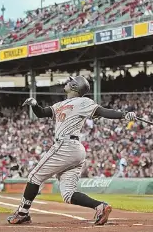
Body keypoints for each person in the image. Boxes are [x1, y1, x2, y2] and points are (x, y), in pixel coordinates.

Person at [7, 75, 136, 226]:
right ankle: (100, 206)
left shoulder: (83, 102)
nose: (67, 82)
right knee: (68, 194)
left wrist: (124, 115)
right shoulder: (60, 104)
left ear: (75, 86)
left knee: (34, 176)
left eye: (70, 81)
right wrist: (35, 104)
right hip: (75, 150)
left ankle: (23, 213)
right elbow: (42, 113)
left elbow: (103, 111)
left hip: (66, 145)